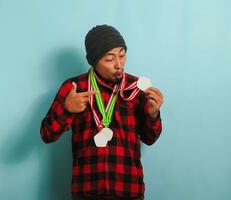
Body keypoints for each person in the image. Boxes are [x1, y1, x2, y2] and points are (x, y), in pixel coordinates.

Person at [40, 24, 164, 200]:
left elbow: (149, 139)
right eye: (109, 59)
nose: (119, 65)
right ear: (94, 60)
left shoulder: (136, 89)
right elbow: (47, 134)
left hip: (129, 190)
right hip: (87, 191)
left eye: (122, 55)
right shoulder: (74, 88)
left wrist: (153, 115)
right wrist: (67, 110)